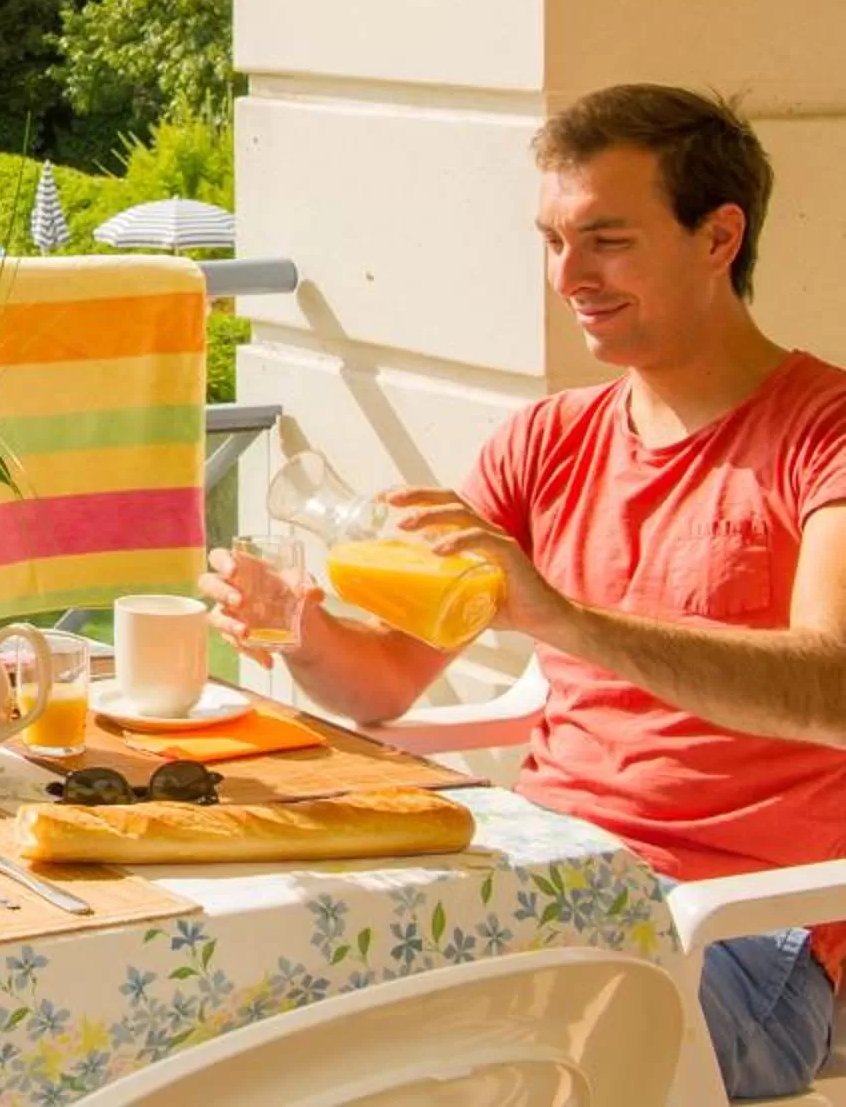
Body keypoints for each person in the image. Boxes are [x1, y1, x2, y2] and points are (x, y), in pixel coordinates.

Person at [203, 85, 846, 1100]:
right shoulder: (550, 440)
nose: (569, 276)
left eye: (606, 239)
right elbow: (386, 685)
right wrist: (303, 628)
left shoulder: (824, 436)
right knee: (259, 1011)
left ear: (720, 235)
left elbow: (832, 691)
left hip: (744, 929)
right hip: (549, 879)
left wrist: (564, 618)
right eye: (553, 240)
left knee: (431, 1073)